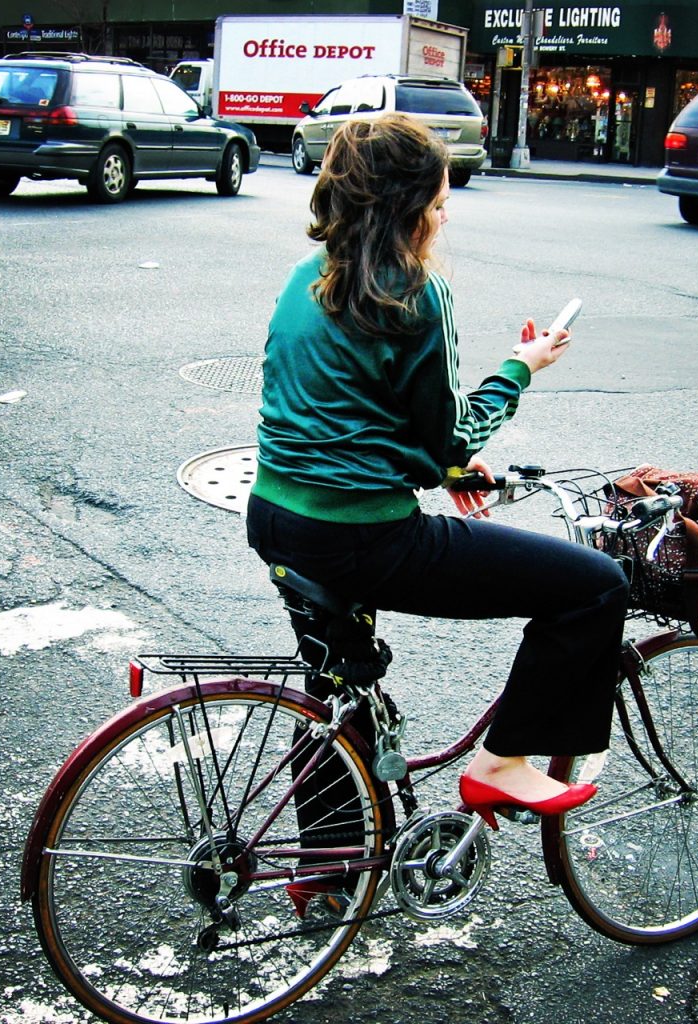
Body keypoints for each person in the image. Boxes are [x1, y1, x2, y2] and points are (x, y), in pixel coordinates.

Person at [246, 113, 629, 835]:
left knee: (337, 690)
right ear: (407, 209)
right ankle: (503, 763)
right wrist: (521, 367)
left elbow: (348, 411)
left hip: (274, 516)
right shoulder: (416, 291)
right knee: (594, 589)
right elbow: (448, 435)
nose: (443, 217)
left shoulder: (307, 277)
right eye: (440, 205)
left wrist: (440, 462)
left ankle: (327, 871)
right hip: (362, 535)